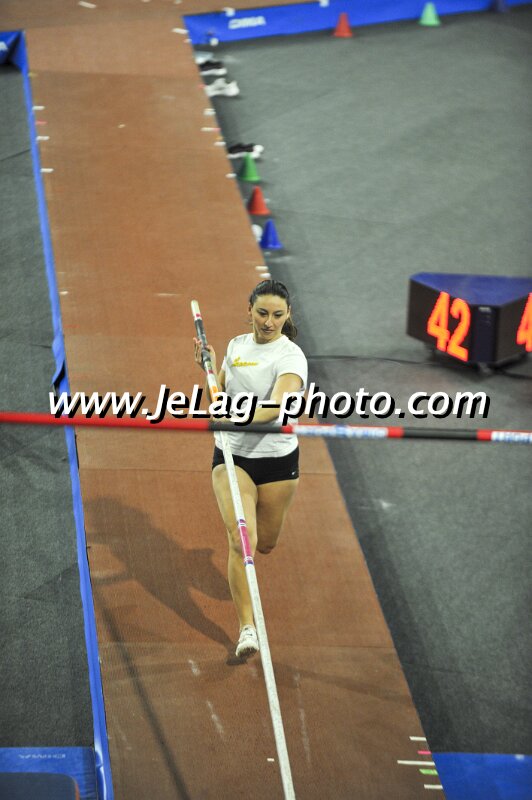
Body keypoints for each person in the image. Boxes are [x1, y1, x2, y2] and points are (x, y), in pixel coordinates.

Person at [193, 280, 307, 658]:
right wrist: (209, 370)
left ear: (288, 315)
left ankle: (247, 599)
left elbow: (276, 408)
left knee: (266, 544)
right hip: (232, 456)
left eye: (277, 315)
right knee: (241, 538)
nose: (269, 322)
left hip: (277, 461)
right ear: (249, 310)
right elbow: (219, 395)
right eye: (262, 313)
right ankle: (247, 628)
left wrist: (233, 416)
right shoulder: (236, 347)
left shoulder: (291, 358)